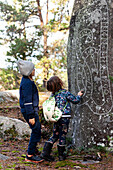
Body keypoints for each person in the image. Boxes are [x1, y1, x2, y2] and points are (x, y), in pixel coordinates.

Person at [40, 76, 83, 161]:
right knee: (62, 135)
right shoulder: (65, 93)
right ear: (60, 84)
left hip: (56, 117)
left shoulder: (53, 95)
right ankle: (61, 156)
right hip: (64, 117)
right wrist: (79, 95)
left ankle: (45, 152)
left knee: (55, 135)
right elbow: (75, 100)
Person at [17, 59, 43, 163]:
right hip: (29, 111)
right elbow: (27, 101)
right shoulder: (27, 83)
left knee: (37, 129)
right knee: (36, 131)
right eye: (33, 69)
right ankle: (30, 155)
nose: (34, 70)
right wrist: (31, 115)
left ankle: (34, 150)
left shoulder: (27, 81)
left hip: (31, 111)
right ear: (29, 71)